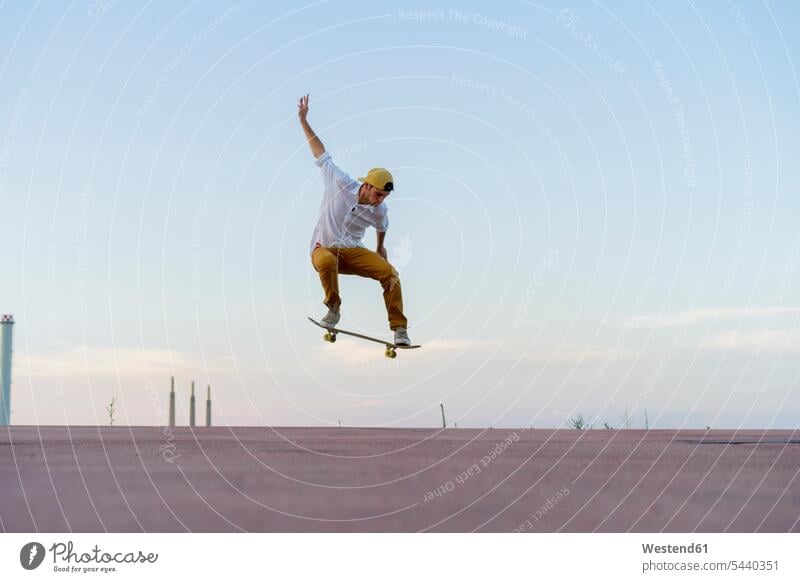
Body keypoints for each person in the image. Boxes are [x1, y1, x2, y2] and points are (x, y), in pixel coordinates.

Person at [297, 94, 411, 346]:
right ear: (367, 186)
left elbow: (383, 227)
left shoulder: (380, 211)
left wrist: (380, 247)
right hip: (323, 248)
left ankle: (399, 329)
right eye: (378, 194)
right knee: (326, 260)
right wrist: (303, 121)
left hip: (352, 252)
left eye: (385, 196)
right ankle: (334, 307)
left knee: (390, 274)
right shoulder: (338, 182)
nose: (380, 200)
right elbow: (320, 152)